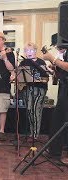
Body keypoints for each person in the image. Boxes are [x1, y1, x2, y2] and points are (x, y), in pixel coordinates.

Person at [43, 33, 68, 163]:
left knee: (62, 119)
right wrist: (54, 69)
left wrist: (52, 59)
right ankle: (54, 150)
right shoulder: (63, 55)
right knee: (58, 119)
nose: (58, 50)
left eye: (58, 47)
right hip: (64, 87)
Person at [19, 42, 49, 141]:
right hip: (27, 89)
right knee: (29, 111)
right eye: (27, 50)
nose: (29, 52)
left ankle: (35, 135)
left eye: (31, 50)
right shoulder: (23, 63)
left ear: (35, 51)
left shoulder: (41, 62)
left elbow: (46, 77)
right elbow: (20, 76)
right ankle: (32, 133)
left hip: (40, 89)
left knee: (36, 111)